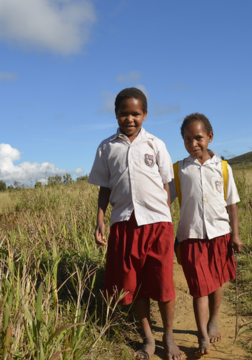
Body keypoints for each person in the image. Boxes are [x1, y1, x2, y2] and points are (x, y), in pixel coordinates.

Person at [88, 87, 184, 360]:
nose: (130, 119)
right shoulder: (107, 147)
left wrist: (165, 215)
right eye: (124, 114)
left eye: (136, 113)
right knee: (135, 283)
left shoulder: (156, 143)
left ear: (145, 114)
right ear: (116, 115)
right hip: (123, 223)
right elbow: (104, 188)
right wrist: (100, 220)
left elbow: (167, 183)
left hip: (157, 223)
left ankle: (168, 335)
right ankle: (148, 339)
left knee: (164, 282)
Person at [170, 113, 242, 357]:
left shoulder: (222, 167)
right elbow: (163, 199)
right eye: (187, 139)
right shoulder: (178, 170)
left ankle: (213, 321)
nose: (193, 144)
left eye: (198, 138)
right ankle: (202, 334)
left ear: (210, 137)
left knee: (216, 282)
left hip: (220, 234)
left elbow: (231, 203)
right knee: (199, 288)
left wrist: (236, 234)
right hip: (191, 237)